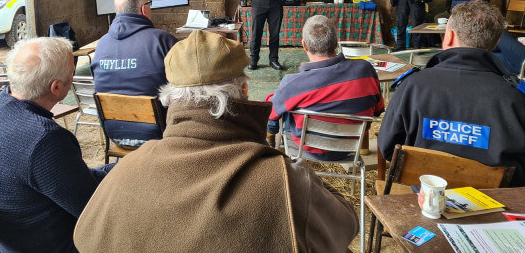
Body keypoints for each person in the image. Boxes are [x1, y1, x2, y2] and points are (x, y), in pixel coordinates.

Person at [74, 30, 359, 252]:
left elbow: (83, 237)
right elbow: (346, 227)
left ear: (169, 95)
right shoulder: (283, 180)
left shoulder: (124, 170)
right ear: (244, 89)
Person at [0, 37, 113, 253]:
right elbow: (96, 212)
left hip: (16, 236)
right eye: (72, 72)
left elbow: (63, 181)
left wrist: (118, 170)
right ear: (57, 87)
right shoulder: (45, 140)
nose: (73, 76)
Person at [378, 1, 525, 186]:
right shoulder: (516, 97)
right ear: (496, 43)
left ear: (448, 37)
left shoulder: (412, 87)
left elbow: (388, 148)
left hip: (426, 202)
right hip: (497, 208)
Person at [265, 15, 384, 156]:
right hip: (351, 146)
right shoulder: (366, 70)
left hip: (309, 147)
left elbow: (269, 113)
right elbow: (378, 110)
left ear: (304, 45)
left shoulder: (292, 83)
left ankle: (269, 145)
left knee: (278, 109)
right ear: (336, 43)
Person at [91, 0, 178, 148]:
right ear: (143, 9)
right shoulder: (162, 40)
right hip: (160, 134)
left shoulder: (101, 44)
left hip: (116, 134)